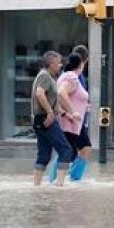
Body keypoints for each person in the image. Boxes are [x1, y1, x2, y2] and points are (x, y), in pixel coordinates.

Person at [32, 51, 73, 187]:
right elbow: (39, 93)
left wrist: (65, 114)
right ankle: (59, 186)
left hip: (39, 119)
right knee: (66, 150)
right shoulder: (45, 76)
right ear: (51, 63)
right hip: (45, 118)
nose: (61, 65)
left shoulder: (46, 76)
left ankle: (36, 186)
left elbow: (51, 102)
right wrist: (50, 112)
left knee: (44, 154)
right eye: (59, 62)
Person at [48, 53, 89, 183]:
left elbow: (71, 96)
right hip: (70, 122)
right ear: (81, 64)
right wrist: (73, 111)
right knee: (66, 153)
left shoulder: (67, 76)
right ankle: (53, 180)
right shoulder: (71, 77)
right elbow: (61, 93)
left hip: (76, 124)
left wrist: (84, 106)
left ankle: (74, 179)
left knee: (85, 148)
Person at [70, 45, 92, 180]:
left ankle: (64, 178)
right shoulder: (73, 76)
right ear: (86, 60)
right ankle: (73, 178)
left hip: (77, 120)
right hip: (74, 120)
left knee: (69, 151)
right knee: (84, 149)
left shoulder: (78, 75)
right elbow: (63, 94)